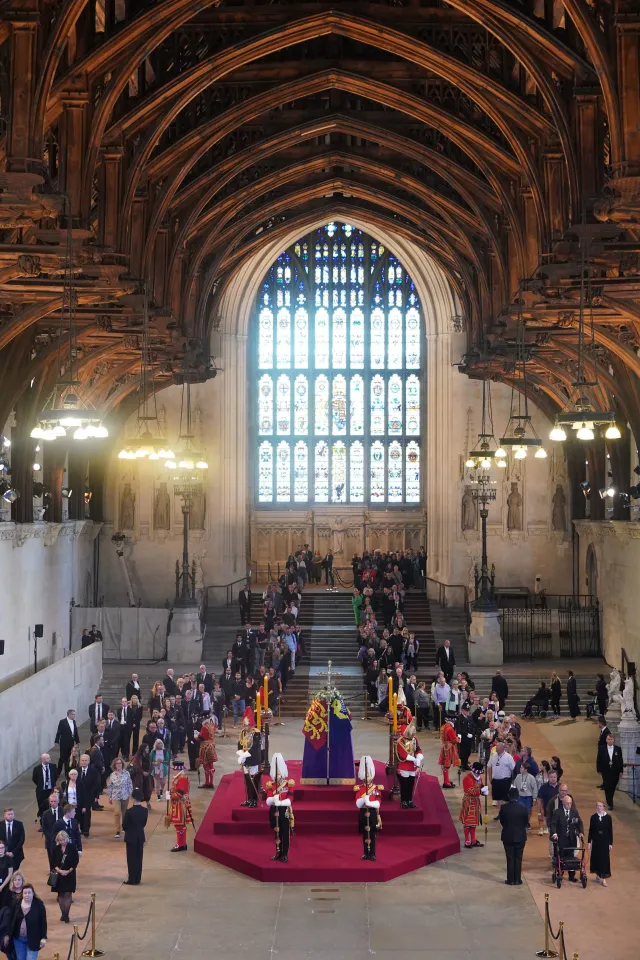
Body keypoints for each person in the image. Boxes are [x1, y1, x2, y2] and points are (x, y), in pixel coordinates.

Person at [265, 754, 295, 863]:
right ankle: (278, 852)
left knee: (285, 833)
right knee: (276, 833)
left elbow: (290, 799)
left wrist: (280, 802)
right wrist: (273, 799)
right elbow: (268, 800)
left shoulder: (288, 784)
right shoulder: (271, 785)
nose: (278, 776)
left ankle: (285, 853)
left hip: (284, 811)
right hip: (274, 810)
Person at [7, 882, 47, 959]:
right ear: (22, 894)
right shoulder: (16, 903)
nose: (27, 895)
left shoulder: (39, 905)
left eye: (29, 893)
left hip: (33, 939)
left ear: (33, 893)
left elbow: (43, 922)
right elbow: (10, 920)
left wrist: (43, 938)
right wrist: (8, 934)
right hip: (18, 939)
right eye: (25, 893)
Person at [499, 786, 529, 885]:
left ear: (509, 796)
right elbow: (526, 822)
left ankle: (510, 880)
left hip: (507, 835)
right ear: (518, 796)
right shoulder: (523, 807)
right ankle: (518, 879)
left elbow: (502, 821)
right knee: (518, 857)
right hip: (520, 836)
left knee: (510, 857)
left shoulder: (504, 808)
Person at [550, 794, 584, 882]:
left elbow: (579, 823)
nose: (569, 805)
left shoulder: (574, 812)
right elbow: (553, 824)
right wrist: (554, 833)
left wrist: (581, 832)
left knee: (571, 857)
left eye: (570, 803)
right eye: (567, 803)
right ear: (563, 803)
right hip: (561, 839)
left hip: (571, 839)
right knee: (561, 857)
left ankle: (571, 876)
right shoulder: (558, 812)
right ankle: (560, 874)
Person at [354, 756, 382, 861]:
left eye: (369, 776)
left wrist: (370, 802)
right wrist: (363, 800)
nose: (367, 778)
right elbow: (357, 803)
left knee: (373, 834)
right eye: (366, 776)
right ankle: (366, 853)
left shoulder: (376, 788)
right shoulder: (359, 788)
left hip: (373, 812)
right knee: (365, 834)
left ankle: (373, 853)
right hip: (363, 812)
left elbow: (378, 802)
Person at [166, 759, 194, 852]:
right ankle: (182, 843)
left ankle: (181, 844)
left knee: (180, 825)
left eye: (175, 769)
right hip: (178, 804)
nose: (174, 771)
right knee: (179, 825)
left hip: (180, 805)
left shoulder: (181, 779)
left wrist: (170, 795)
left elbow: (179, 794)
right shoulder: (179, 777)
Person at [122, 788, 148, 885]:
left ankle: (132, 879)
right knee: (139, 858)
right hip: (140, 837)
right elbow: (144, 823)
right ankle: (138, 878)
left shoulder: (129, 811)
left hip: (131, 837)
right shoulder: (144, 811)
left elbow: (124, 825)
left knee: (131, 859)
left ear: (133, 798)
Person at [52, 830, 79, 923]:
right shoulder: (56, 849)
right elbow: (53, 863)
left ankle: (66, 915)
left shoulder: (72, 848)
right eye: (60, 840)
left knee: (68, 894)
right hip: (59, 875)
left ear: (67, 838)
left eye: (63, 839)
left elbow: (76, 861)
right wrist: (60, 871)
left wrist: (68, 871)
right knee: (61, 895)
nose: (62, 842)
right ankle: (63, 914)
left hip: (70, 874)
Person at [395, 721, 424, 809]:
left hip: (412, 767)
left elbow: (418, 750)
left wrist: (419, 758)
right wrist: (414, 759)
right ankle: (404, 801)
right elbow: (403, 755)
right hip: (404, 766)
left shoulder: (414, 739)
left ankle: (409, 800)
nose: (411, 738)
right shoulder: (401, 741)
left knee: (411, 784)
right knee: (404, 785)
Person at [237, 708, 262, 807]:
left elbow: (255, 747)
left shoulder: (256, 733)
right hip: (245, 760)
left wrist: (245, 755)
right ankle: (249, 799)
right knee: (247, 780)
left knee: (254, 780)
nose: (245, 727)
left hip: (253, 760)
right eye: (244, 725)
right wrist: (240, 754)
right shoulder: (243, 732)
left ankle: (254, 800)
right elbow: (240, 743)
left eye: (246, 725)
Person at [459, 762, 488, 849]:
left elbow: (480, 786)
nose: (478, 774)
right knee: (468, 823)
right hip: (469, 802)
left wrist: (484, 790)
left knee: (473, 824)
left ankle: (473, 840)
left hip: (475, 802)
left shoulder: (478, 778)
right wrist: (481, 791)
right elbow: (470, 791)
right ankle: (467, 841)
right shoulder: (467, 778)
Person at [588, 800, 613, 887]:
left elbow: (610, 831)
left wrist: (610, 843)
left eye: (600, 806)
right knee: (596, 857)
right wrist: (589, 842)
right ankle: (598, 874)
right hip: (596, 841)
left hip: (605, 841)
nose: (599, 808)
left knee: (604, 859)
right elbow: (590, 830)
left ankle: (604, 878)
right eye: (597, 806)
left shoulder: (608, 818)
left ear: (604, 807)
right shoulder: (593, 817)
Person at [487, 740, 515, 818]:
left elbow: (513, 769)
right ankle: (500, 813)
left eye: (498, 747)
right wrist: (490, 779)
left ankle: (506, 813)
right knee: (498, 798)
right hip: (495, 781)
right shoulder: (494, 755)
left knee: (505, 798)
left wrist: (512, 781)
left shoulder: (508, 757)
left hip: (505, 781)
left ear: (503, 748)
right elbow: (489, 767)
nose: (496, 748)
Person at [107, 757, 133, 839]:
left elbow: (129, 784)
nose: (118, 765)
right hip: (116, 796)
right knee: (117, 813)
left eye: (120, 763)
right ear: (114, 765)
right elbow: (110, 786)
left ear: (122, 764)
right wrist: (110, 797)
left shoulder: (126, 773)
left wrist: (131, 794)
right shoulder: (112, 775)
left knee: (125, 813)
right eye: (117, 764)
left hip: (125, 796)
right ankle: (117, 830)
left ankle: (124, 827)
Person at [596, 733, 624, 810]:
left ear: (613, 740)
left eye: (611, 739)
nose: (610, 741)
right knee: (607, 787)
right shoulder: (602, 749)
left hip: (615, 771)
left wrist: (621, 770)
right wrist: (598, 769)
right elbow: (598, 760)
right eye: (608, 739)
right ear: (606, 740)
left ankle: (610, 799)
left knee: (612, 787)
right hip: (606, 771)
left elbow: (620, 760)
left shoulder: (618, 749)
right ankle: (610, 803)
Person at [75, 754, 99, 837]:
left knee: (87, 812)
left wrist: (96, 796)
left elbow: (97, 785)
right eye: (82, 760)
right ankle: (81, 828)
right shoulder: (76, 771)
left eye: (86, 760)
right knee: (79, 812)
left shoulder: (93, 771)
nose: (84, 762)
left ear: (88, 762)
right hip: (78, 796)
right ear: (80, 761)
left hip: (89, 796)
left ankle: (86, 830)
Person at [194, 716, 218, 789]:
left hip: (205, 747)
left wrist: (195, 737)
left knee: (206, 765)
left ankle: (207, 783)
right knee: (211, 765)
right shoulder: (212, 726)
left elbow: (201, 738)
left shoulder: (204, 727)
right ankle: (211, 783)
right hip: (212, 746)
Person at [31, 754, 58, 819]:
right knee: (41, 806)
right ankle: (42, 822)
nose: (49, 759)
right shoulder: (37, 768)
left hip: (51, 790)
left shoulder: (53, 766)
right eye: (47, 758)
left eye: (49, 758)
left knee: (52, 805)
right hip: (41, 791)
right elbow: (34, 778)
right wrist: (40, 784)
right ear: (43, 760)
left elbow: (56, 776)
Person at [54, 710, 79, 776]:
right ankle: (61, 772)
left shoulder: (74, 721)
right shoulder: (62, 722)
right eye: (73, 714)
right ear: (69, 715)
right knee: (63, 758)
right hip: (64, 743)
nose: (74, 716)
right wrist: (56, 741)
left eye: (74, 714)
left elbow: (75, 732)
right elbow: (59, 732)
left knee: (69, 756)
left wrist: (77, 741)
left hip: (71, 743)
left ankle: (66, 771)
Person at [513, 760, 538, 826]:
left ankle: (527, 822)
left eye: (521, 768)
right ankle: (520, 822)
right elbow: (514, 786)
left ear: (526, 769)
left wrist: (534, 798)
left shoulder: (531, 778)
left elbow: (535, 788)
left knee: (528, 811)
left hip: (528, 797)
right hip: (520, 796)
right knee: (520, 810)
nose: (520, 769)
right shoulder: (518, 776)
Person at [41, 794, 61, 868]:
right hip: (50, 841)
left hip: (61, 840)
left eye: (55, 801)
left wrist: (60, 838)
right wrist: (53, 838)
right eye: (51, 801)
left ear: (58, 801)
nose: (53, 803)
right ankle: (52, 873)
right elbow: (44, 828)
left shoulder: (62, 811)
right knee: (51, 859)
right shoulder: (46, 813)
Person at [438, 719, 459, 788]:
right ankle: (446, 782)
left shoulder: (443, 727)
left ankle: (446, 780)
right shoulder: (450, 729)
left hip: (445, 746)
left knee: (445, 765)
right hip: (449, 748)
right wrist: (458, 738)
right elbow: (454, 740)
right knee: (447, 765)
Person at [536, 770, 558, 835]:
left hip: (556, 808)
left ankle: (548, 828)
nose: (553, 779)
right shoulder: (543, 787)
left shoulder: (560, 787)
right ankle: (541, 828)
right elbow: (539, 799)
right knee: (541, 817)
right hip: (545, 807)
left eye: (554, 777)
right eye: (551, 777)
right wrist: (539, 811)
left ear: (557, 777)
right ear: (548, 777)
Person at [0, 842, 13, 910]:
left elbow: (10, 874)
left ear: (5, 848)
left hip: (5, 886)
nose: (0, 850)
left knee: (4, 905)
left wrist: (1, 886)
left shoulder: (8, 859)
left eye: (2, 848)